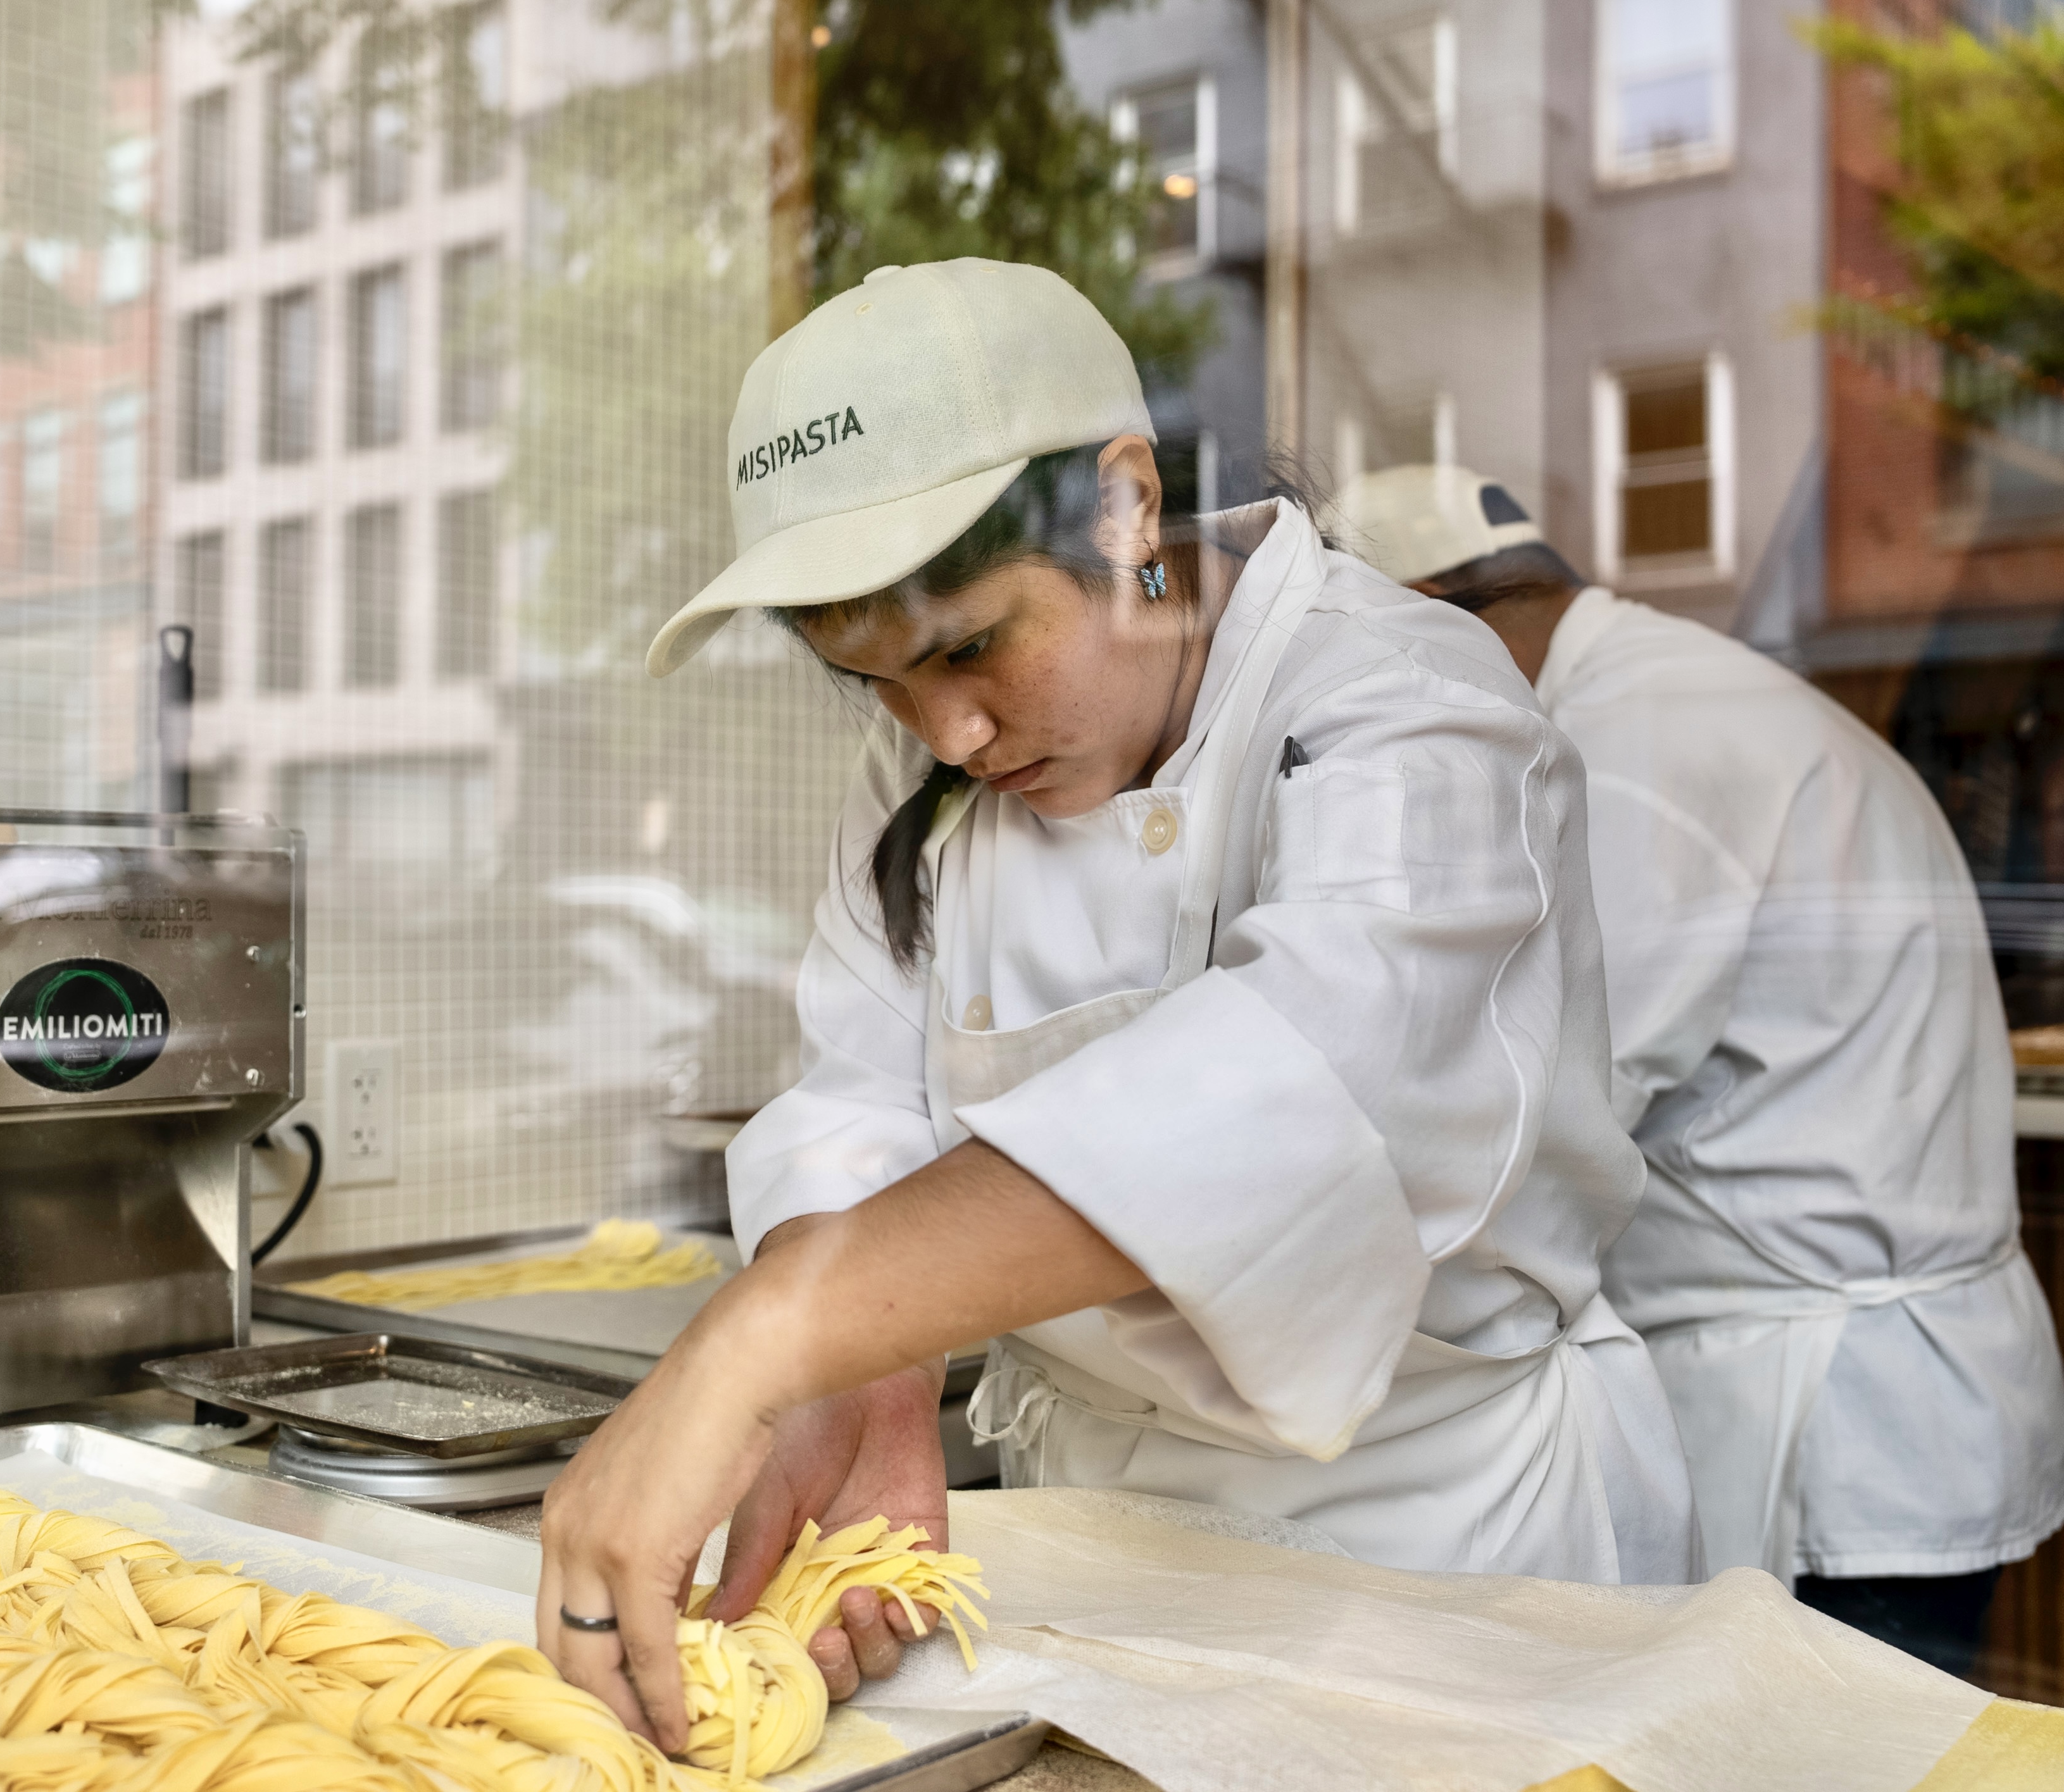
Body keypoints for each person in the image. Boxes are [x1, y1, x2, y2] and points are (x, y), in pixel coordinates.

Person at [534, 261, 1698, 1752]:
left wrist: (763, 1339)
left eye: (966, 645)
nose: (942, 731)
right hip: (1089, 1539)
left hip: (1450, 1553)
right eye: (871, 679)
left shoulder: (1410, 709)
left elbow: (1292, 1099)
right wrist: (871, 1375)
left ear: (1125, 506)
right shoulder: (934, 775)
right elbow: (857, 1099)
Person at [1337, 463, 2064, 1674]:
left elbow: (1540, 1113)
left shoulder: (1630, 748)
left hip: (1836, 1425)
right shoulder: (1671, 694)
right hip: (1881, 1394)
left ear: (1426, 611)